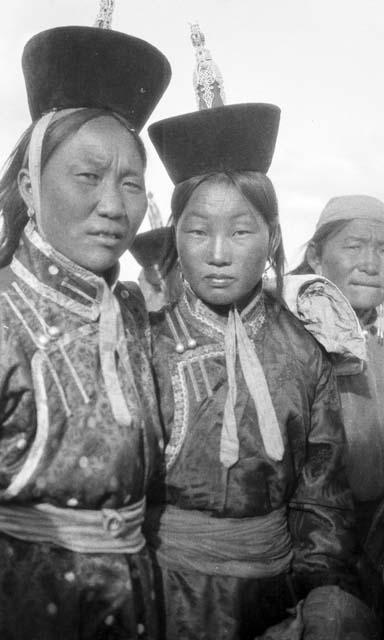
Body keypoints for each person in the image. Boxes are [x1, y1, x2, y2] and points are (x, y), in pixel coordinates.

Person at [140, 104, 377, 639]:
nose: (218, 254)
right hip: (157, 595)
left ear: (272, 238)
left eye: (241, 232)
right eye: (198, 232)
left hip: (271, 601)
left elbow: (322, 499)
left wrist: (324, 596)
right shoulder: (145, 339)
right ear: (175, 236)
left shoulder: (304, 349)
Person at [0, 23, 171, 640]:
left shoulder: (129, 311)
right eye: (87, 176)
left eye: (131, 183)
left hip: (138, 603)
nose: (114, 205)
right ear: (29, 185)